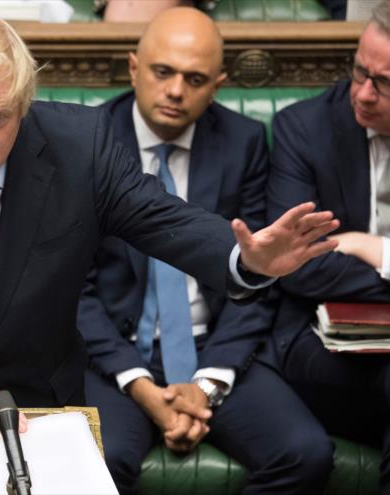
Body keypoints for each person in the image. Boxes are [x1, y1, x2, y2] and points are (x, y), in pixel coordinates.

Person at [0, 13, 338, 439]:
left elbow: (161, 217)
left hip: (32, 407)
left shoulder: (81, 147)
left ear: (25, 104)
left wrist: (245, 260)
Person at [79, 8, 334, 494]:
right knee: (100, 462)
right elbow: (71, 287)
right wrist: (139, 384)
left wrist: (207, 384)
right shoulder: (88, 140)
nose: (176, 90)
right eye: (162, 72)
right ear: (133, 68)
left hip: (212, 346)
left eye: (195, 79)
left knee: (305, 454)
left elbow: (259, 276)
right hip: (113, 354)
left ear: (217, 85)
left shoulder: (243, 142)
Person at [269, 0, 390, 492]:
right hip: (323, 349)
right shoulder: (303, 129)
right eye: (359, 70)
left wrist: (374, 250)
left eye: (388, 84)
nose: (364, 93)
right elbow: (300, 269)